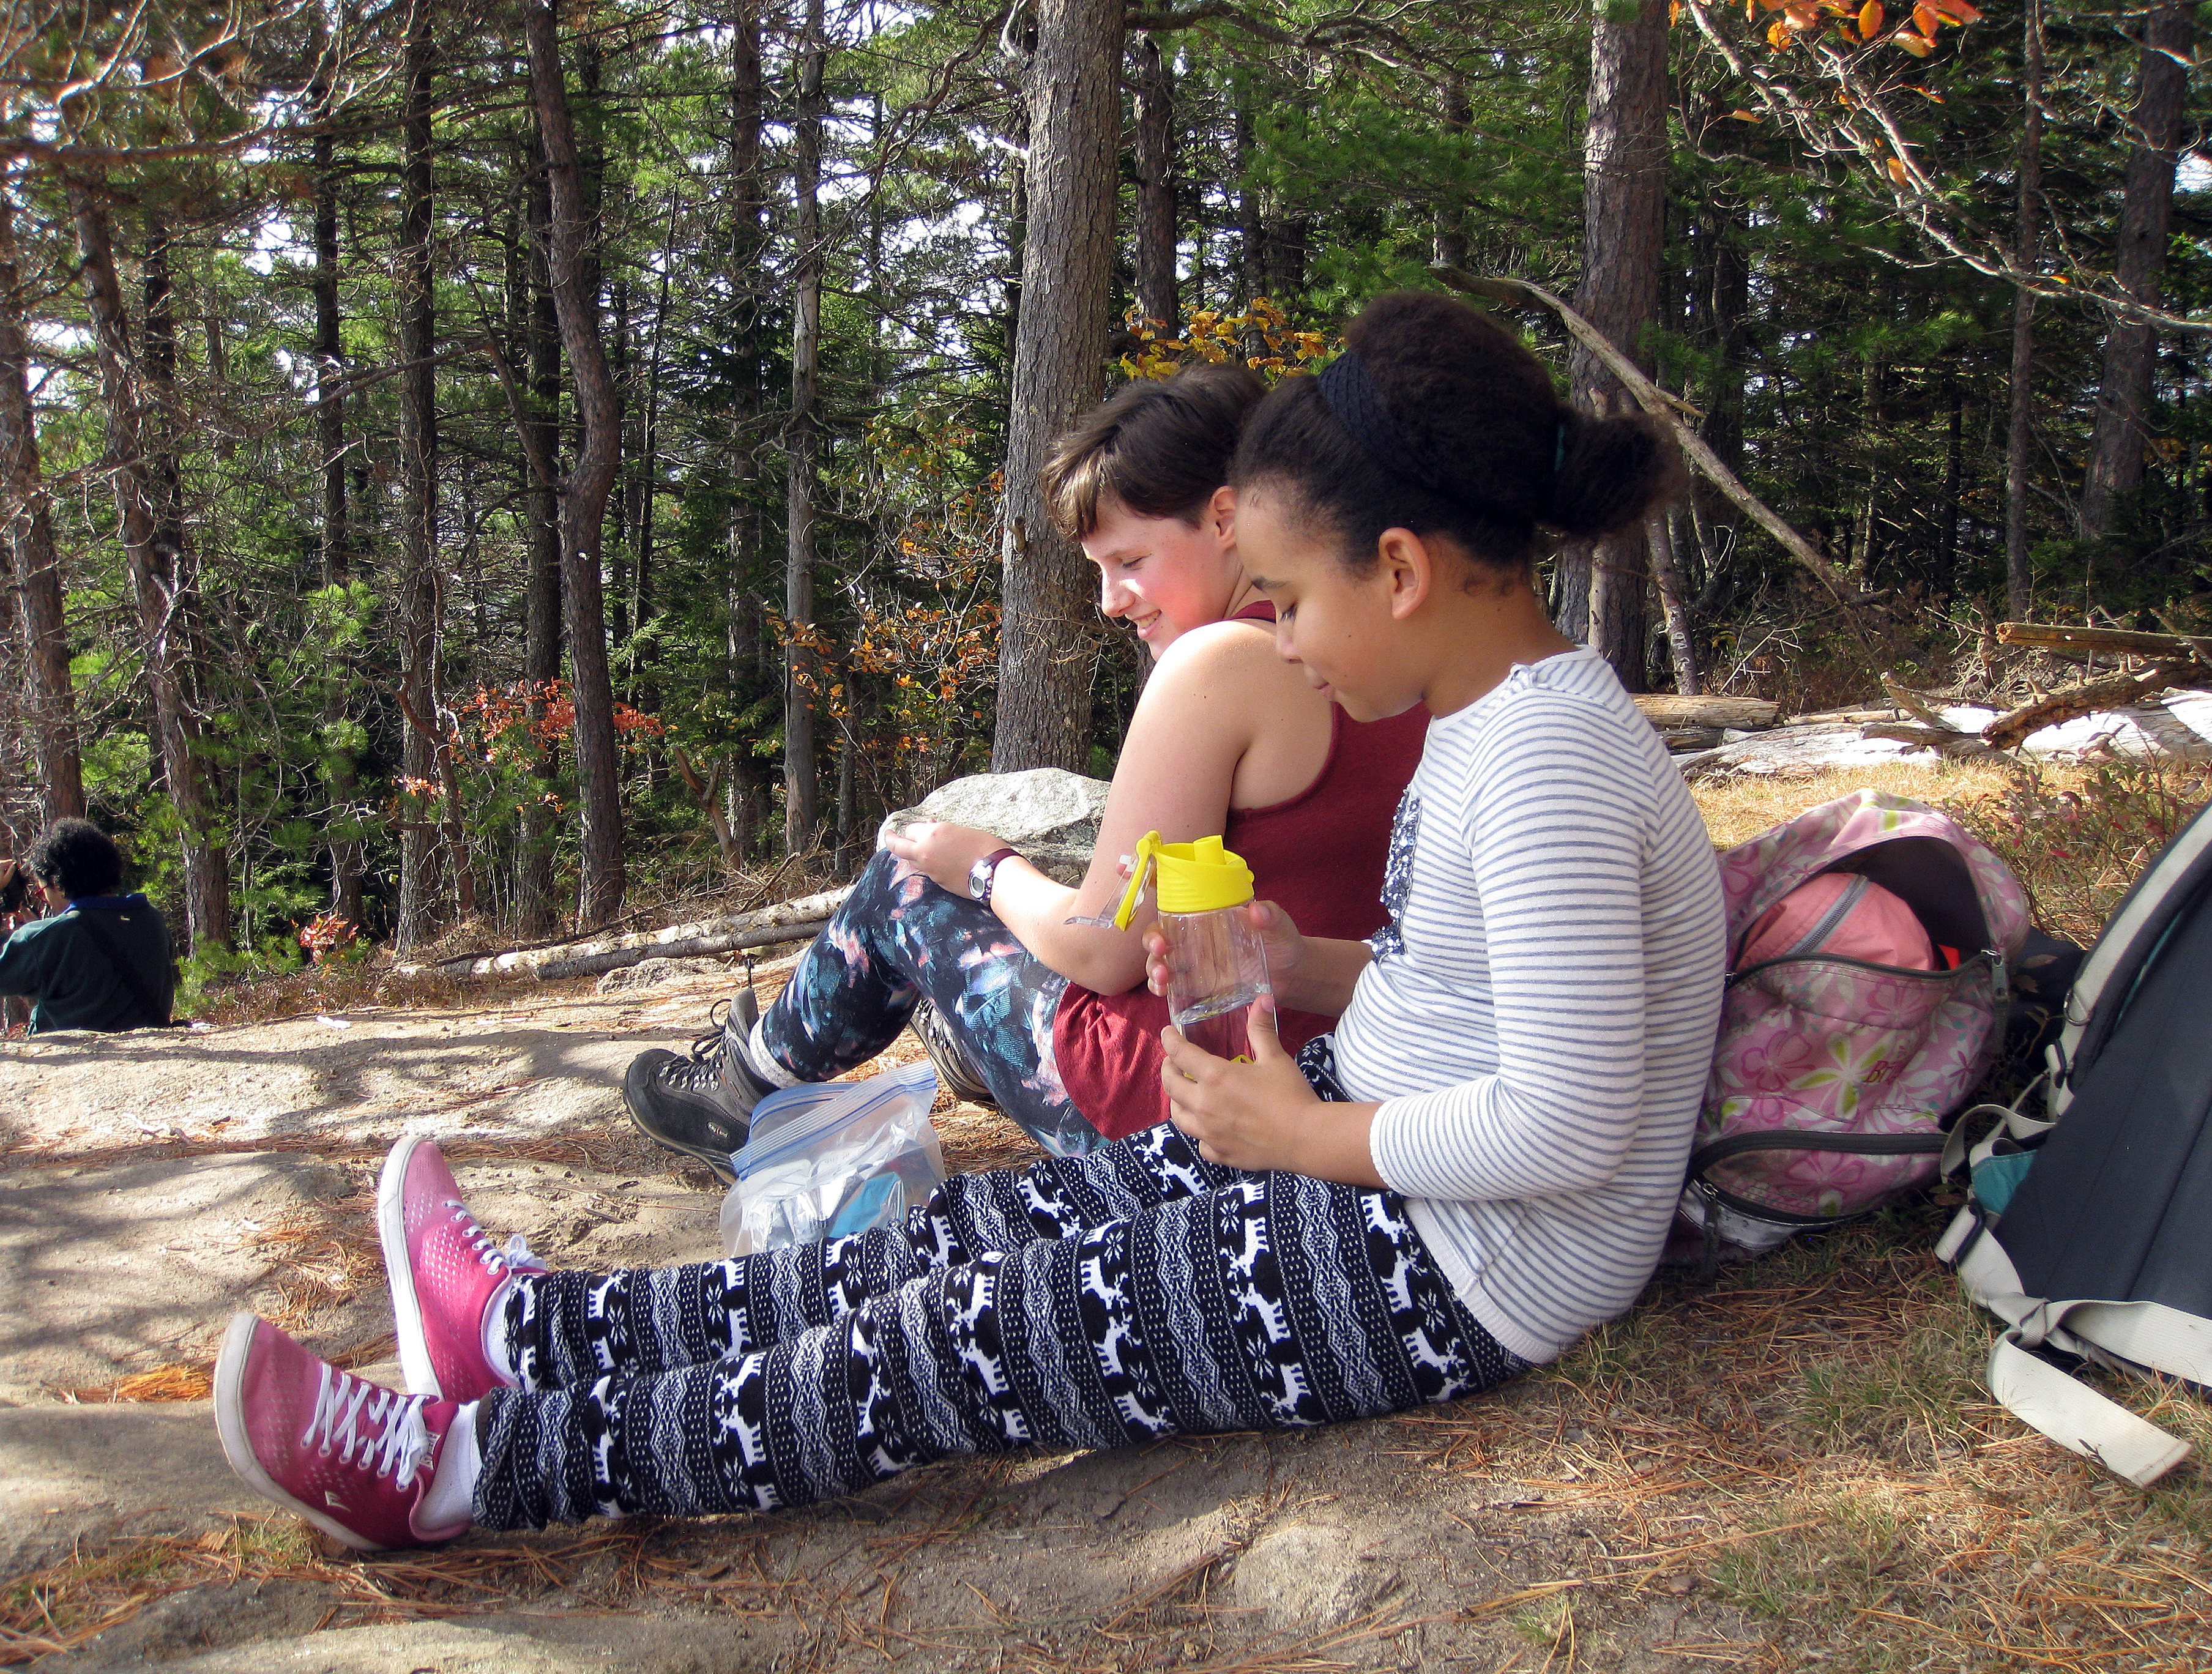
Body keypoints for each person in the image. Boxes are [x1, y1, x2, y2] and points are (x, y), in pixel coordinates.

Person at [209, 290, 1728, 1552]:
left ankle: (464, 1464)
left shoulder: (1545, 761)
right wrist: (1300, 962)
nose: (1275, 635)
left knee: (958, 1337)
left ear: (1396, 569)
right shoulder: (1483, 716)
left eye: (1281, 596)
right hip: (1377, 1144)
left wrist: (1299, 1134)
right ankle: (538, 1334)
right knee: (960, 1231)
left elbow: (1572, 1122)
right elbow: (1464, 982)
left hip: (1465, 1264)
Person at [622, 362, 1427, 1169]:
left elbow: (1104, 952)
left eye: (1131, 561)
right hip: (1351, 1076)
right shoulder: (1388, 647)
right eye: (1100, 571)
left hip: (1184, 1110)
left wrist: (979, 866)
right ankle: (966, 1051)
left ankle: (742, 1095)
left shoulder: (1216, 665)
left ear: (1225, 519)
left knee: (903, 886)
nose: (1112, 599)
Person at [0, 818, 174, 1033]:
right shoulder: (152, 920)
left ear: (56, 882)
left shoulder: (46, 938)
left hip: (72, 1060)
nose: (45, 899)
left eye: (41, 891)